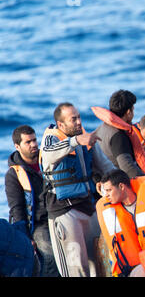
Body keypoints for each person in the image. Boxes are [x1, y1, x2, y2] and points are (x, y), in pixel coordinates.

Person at [40, 102, 116, 277]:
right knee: (77, 269)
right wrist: (74, 141)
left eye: (79, 117)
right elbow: (49, 154)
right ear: (61, 124)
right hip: (65, 212)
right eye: (73, 119)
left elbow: (105, 166)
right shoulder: (51, 139)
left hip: (88, 207)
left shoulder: (84, 137)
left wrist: (125, 180)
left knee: (98, 262)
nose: (79, 122)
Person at [4, 125, 59, 277]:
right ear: (17, 146)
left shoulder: (47, 160)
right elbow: (17, 208)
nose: (34, 144)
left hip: (59, 214)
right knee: (50, 256)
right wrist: (26, 237)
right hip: (38, 224)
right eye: (28, 142)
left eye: (34, 140)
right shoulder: (13, 175)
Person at [94, 89, 145, 178]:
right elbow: (128, 168)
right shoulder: (118, 135)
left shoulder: (101, 128)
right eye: (133, 110)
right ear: (128, 112)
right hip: (117, 183)